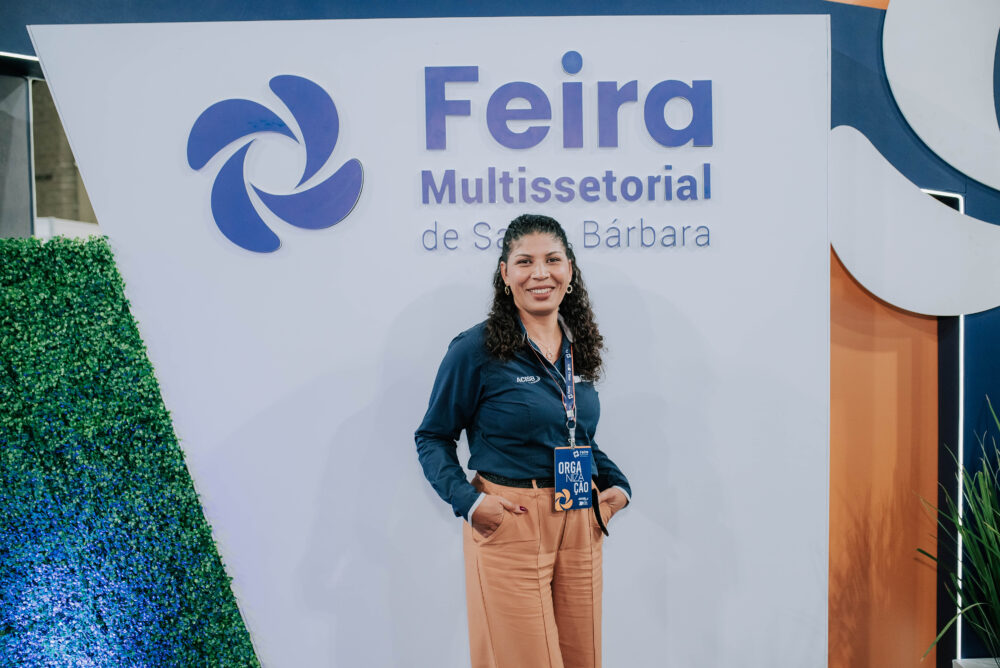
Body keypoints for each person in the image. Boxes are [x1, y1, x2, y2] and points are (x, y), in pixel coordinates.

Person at [415, 213, 631, 668]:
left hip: (579, 516)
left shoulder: (577, 345)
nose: (540, 273)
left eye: (552, 260)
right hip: (512, 521)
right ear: (505, 273)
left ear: (569, 270)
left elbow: (576, 434)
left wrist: (617, 486)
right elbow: (432, 436)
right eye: (525, 261)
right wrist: (471, 503)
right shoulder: (475, 349)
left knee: (583, 660)